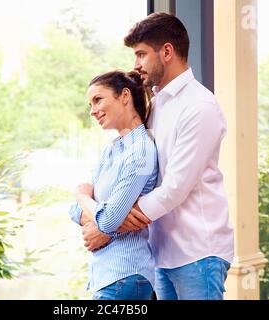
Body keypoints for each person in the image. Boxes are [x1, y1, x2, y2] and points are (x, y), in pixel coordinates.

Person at [82, 12, 234, 300]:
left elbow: (175, 187)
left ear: (167, 52)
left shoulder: (199, 106)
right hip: (160, 253)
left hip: (198, 252)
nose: (136, 64)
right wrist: (104, 217)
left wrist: (111, 226)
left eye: (141, 54)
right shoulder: (156, 106)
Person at [68, 70, 159, 300]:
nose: (92, 110)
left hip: (125, 275)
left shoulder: (140, 151)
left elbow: (107, 220)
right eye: (90, 104)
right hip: (108, 278)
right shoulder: (112, 150)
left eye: (98, 100)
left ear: (124, 96)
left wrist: (81, 196)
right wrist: (102, 216)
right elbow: (74, 213)